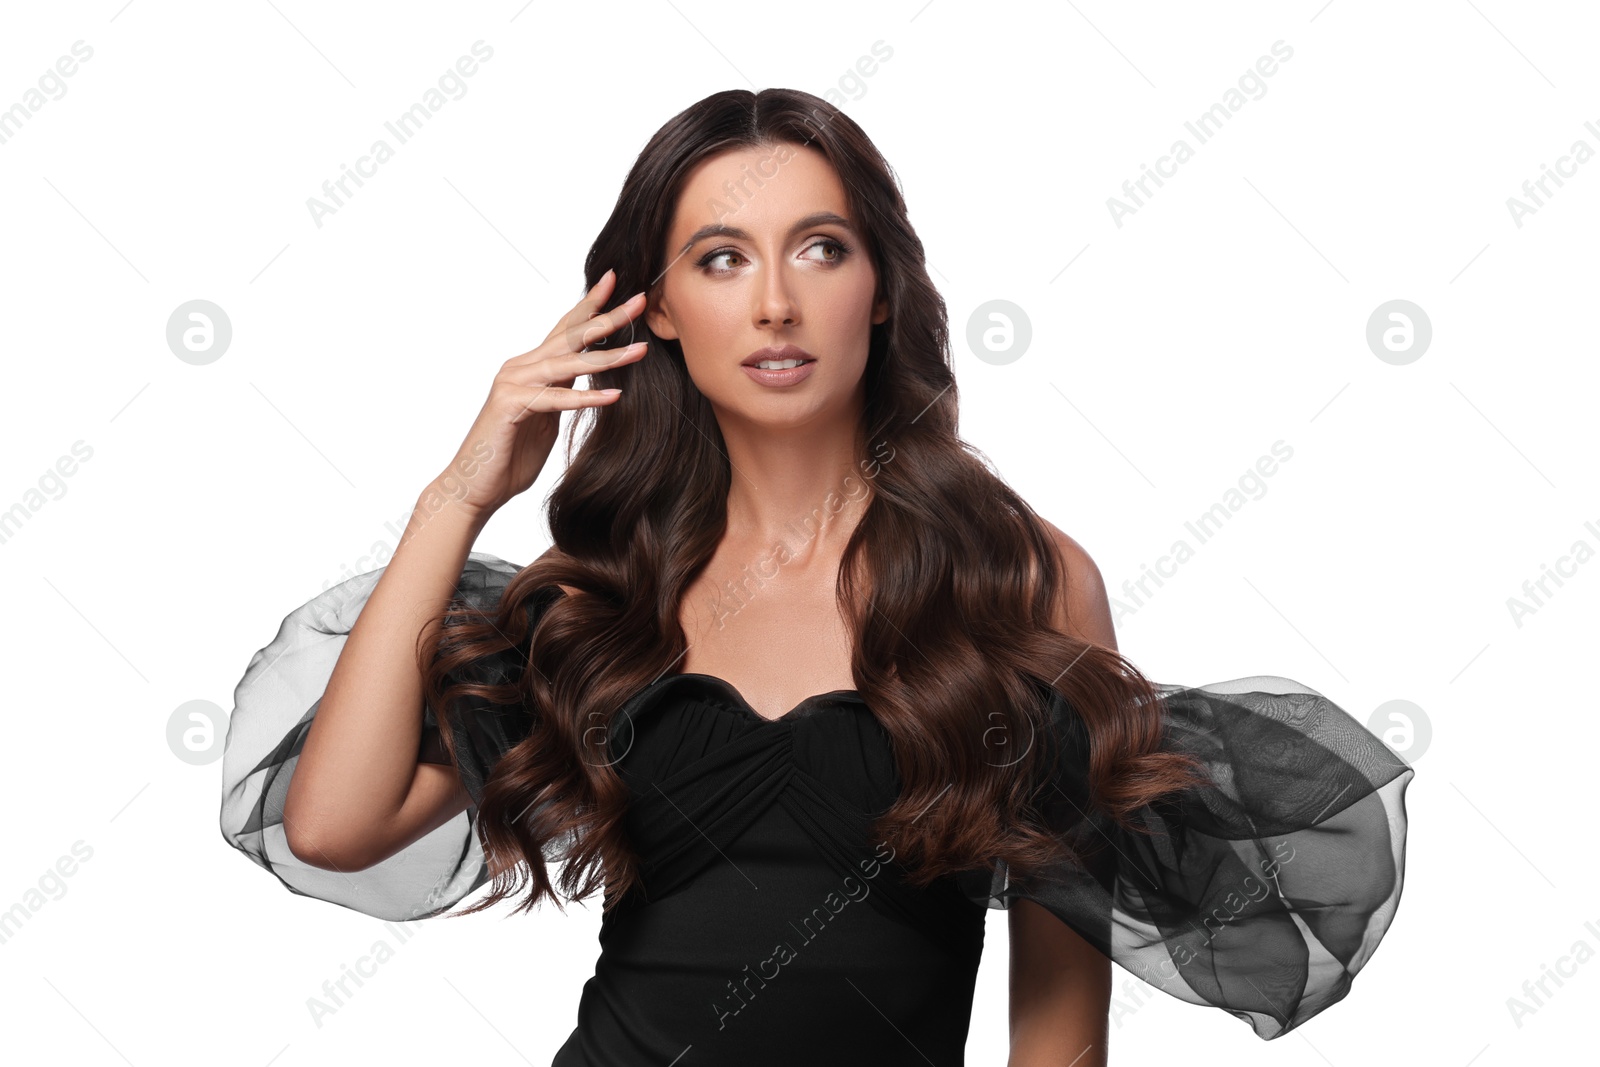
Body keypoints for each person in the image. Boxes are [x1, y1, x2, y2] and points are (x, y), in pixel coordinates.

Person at [219, 88, 1413, 1066]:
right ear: (663, 311)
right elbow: (331, 825)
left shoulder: (1026, 581)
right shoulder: (596, 596)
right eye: (722, 259)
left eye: (820, 249)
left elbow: (1056, 1020)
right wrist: (460, 493)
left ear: (880, 289)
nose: (776, 302)